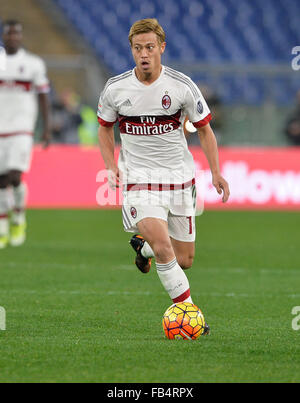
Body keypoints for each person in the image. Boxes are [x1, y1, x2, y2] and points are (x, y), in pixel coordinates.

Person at [97, 19, 230, 333]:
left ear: (161, 48)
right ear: (131, 50)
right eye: (138, 48)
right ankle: (188, 314)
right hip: (138, 180)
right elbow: (104, 127)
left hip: (179, 180)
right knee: (163, 247)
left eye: (150, 47)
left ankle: (143, 248)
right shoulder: (116, 88)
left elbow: (205, 130)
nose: (144, 54)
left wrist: (216, 172)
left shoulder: (180, 85)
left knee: (184, 259)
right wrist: (110, 164)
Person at [0, 20, 50, 248]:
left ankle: (18, 216)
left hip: (22, 129)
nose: (12, 37)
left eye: (16, 33)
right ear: (3, 35)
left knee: (14, 176)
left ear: (20, 36)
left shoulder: (33, 64)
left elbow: (43, 96)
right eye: (8, 33)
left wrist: (46, 127)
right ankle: (2, 228)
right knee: (1, 181)